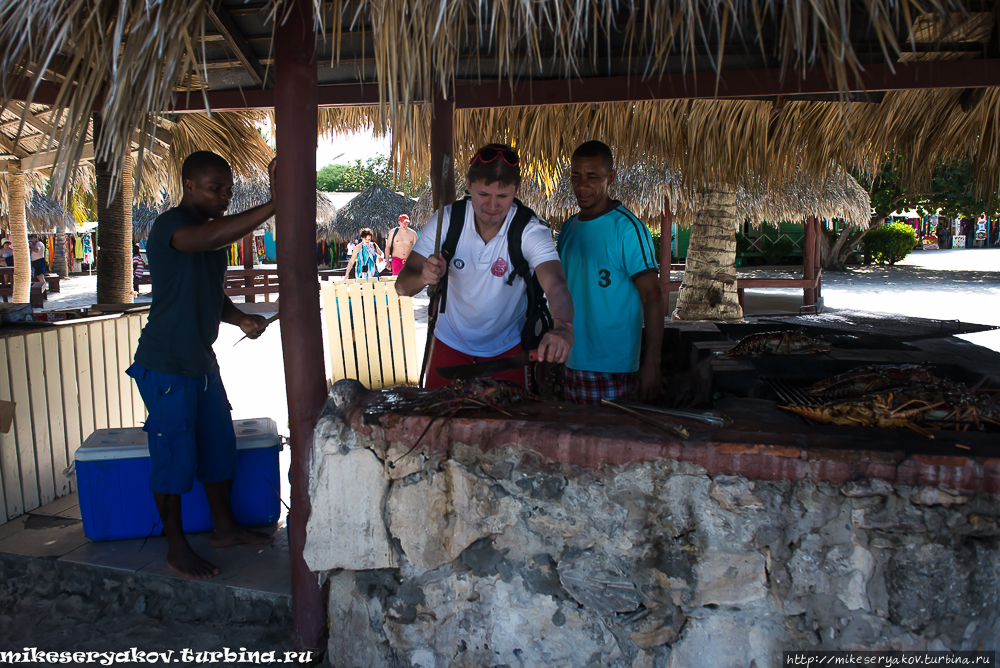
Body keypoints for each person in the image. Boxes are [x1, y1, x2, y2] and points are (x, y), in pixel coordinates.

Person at [127, 150, 276, 579]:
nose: (225, 196)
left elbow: (211, 293)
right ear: (189, 186)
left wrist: (240, 318)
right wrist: (274, 203)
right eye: (216, 189)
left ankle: (224, 527)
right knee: (173, 455)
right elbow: (206, 240)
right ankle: (176, 547)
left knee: (217, 445)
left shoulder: (211, 234)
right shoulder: (171, 227)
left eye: (228, 188)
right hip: (167, 363)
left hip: (202, 363)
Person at [396, 143, 574, 388]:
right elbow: (402, 287)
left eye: (502, 196)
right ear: (468, 185)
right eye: (483, 194)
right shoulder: (447, 221)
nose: (492, 206)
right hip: (449, 345)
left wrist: (563, 326)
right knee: (437, 420)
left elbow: (555, 283)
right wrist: (423, 277)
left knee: (508, 423)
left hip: (508, 350)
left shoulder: (529, 229)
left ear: (516, 190)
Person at [557, 140, 663, 404]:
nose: (582, 185)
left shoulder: (627, 229)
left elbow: (653, 297)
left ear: (610, 177)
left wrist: (652, 361)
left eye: (592, 177)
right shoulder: (569, 229)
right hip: (571, 360)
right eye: (576, 176)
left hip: (615, 366)